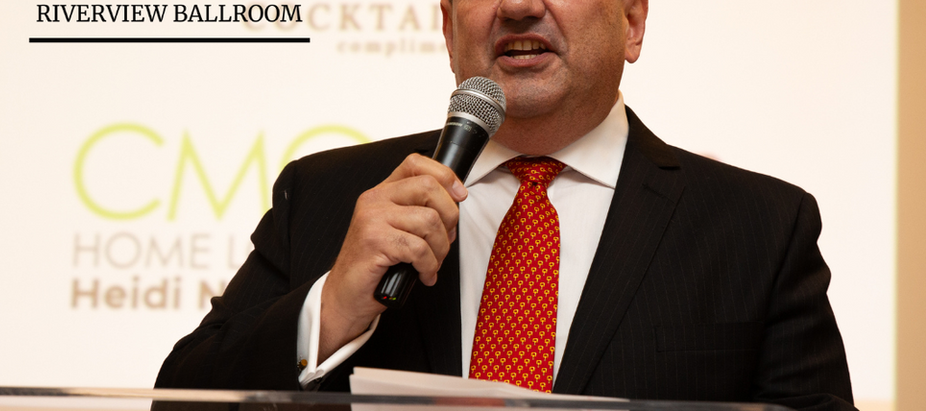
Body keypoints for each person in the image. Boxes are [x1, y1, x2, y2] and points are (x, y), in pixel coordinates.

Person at [155, 1, 856, 410]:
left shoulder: (759, 228)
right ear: (445, 24)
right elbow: (178, 404)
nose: (519, 4)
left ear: (634, 20)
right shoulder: (328, 196)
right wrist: (333, 307)